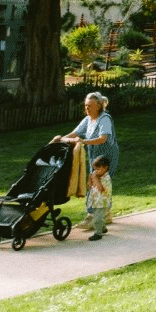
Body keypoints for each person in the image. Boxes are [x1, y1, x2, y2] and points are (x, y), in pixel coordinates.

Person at [54, 91, 119, 230]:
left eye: (90, 106)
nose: (87, 109)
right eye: (85, 105)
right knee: (98, 186)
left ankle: (93, 217)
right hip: (94, 157)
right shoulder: (88, 119)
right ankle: (105, 214)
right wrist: (60, 140)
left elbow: (103, 138)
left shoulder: (104, 119)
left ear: (99, 106)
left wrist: (84, 142)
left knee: (97, 186)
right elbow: (74, 133)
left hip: (106, 158)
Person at [86, 156, 112, 241]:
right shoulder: (97, 176)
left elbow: (101, 189)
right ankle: (103, 228)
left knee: (97, 218)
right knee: (97, 216)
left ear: (106, 168)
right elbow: (89, 187)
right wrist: (90, 180)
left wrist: (95, 179)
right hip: (95, 201)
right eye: (95, 169)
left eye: (98, 169)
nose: (96, 171)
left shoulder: (106, 178)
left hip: (102, 202)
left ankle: (98, 233)